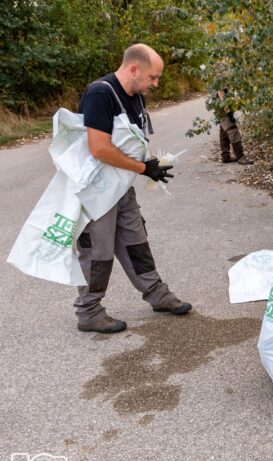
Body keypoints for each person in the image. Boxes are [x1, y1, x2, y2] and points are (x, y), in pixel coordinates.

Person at [75, 43, 192, 334]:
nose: (156, 83)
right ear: (134, 68)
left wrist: (151, 163)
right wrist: (142, 169)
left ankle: (157, 295)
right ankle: (88, 311)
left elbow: (133, 141)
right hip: (97, 192)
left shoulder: (136, 97)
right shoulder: (100, 94)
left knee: (136, 242)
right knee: (98, 253)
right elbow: (99, 148)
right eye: (153, 77)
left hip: (122, 187)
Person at [215, 88, 253, 165]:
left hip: (220, 113)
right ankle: (240, 157)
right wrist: (229, 114)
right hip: (225, 113)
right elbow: (222, 97)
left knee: (224, 135)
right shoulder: (220, 79)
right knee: (233, 132)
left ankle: (225, 157)